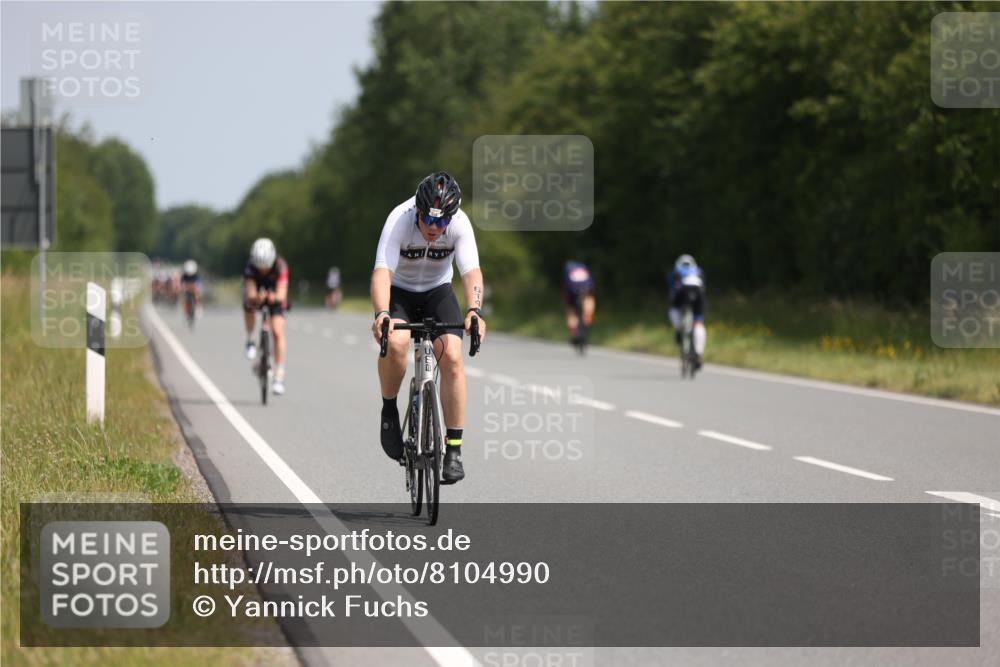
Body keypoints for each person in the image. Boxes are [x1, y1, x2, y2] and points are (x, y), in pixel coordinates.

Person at [371, 171, 486, 484]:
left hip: (438, 292)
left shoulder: (460, 223)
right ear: (418, 212)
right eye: (429, 220)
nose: (435, 228)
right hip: (400, 293)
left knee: (453, 358)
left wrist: (474, 310)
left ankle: (454, 449)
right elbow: (382, 273)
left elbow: (471, 272)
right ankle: (389, 410)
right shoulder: (399, 219)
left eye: (442, 221)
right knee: (396, 344)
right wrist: (382, 313)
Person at [243, 238, 290, 395]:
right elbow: (250, 292)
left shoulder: (281, 266)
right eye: (260, 268)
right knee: (248, 306)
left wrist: (273, 297)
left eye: (266, 268)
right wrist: (256, 297)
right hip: (257, 293)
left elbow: (282, 294)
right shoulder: (250, 267)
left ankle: (279, 374)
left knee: (277, 331)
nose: (263, 271)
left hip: (275, 295)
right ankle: (250, 339)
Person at [667, 254, 706, 369]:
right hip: (698, 292)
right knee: (698, 323)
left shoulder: (676, 271)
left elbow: (671, 287)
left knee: (673, 309)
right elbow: (704, 286)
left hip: (682, 292)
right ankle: (698, 354)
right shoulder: (699, 270)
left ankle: (679, 330)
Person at [562, 260, 595, 349]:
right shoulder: (583, 269)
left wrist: (568, 303)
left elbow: (566, 289)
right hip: (586, 290)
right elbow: (592, 287)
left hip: (572, 292)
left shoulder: (568, 271)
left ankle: (575, 334)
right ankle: (587, 319)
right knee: (588, 306)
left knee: (571, 313)